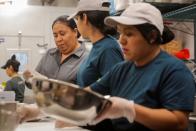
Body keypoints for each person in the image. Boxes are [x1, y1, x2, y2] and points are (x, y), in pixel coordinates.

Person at [85, 3, 196, 131]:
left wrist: (129, 109)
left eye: (129, 34)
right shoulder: (120, 69)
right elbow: (89, 93)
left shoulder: (174, 70)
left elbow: (179, 122)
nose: (121, 40)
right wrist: (66, 98)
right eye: (120, 33)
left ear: (152, 36)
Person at [68, 0, 124, 88]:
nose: (77, 24)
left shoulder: (108, 49)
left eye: (77, 19)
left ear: (85, 18)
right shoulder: (98, 45)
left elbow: (115, 87)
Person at [23, 15, 88, 85]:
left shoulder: (87, 58)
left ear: (75, 32)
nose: (58, 39)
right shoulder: (49, 54)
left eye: (62, 34)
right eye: (55, 35)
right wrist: (29, 79)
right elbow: (35, 81)